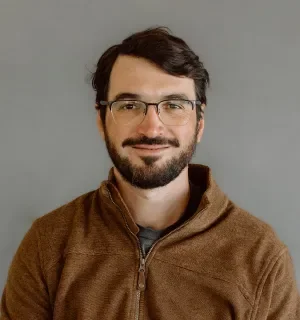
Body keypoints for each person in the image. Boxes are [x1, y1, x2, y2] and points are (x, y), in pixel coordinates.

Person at [1, 26, 299, 320]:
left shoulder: (261, 257)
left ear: (199, 123)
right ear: (102, 121)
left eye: (174, 105)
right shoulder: (48, 243)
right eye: (129, 105)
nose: (152, 127)